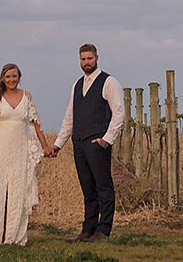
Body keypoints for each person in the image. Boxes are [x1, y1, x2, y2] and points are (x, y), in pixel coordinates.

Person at [48, 43, 124, 242]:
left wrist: (106, 140)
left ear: (97, 58)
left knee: (104, 188)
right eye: (83, 59)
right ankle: (88, 230)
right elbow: (70, 116)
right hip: (79, 144)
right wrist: (58, 143)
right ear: (79, 60)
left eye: (89, 58)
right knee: (88, 189)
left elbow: (119, 113)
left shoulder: (109, 82)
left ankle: (103, 231)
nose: (86, 62)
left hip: (98, 143)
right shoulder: (77, 85)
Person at [0, 62, 52, 245]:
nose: (12, 80)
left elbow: (36, 123)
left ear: (19, 77)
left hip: (20, 148)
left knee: (17, 190)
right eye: (8, 76)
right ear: (3, 78)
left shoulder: (27, 96)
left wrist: (46, 147)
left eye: (15, 76)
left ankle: (13, 236)